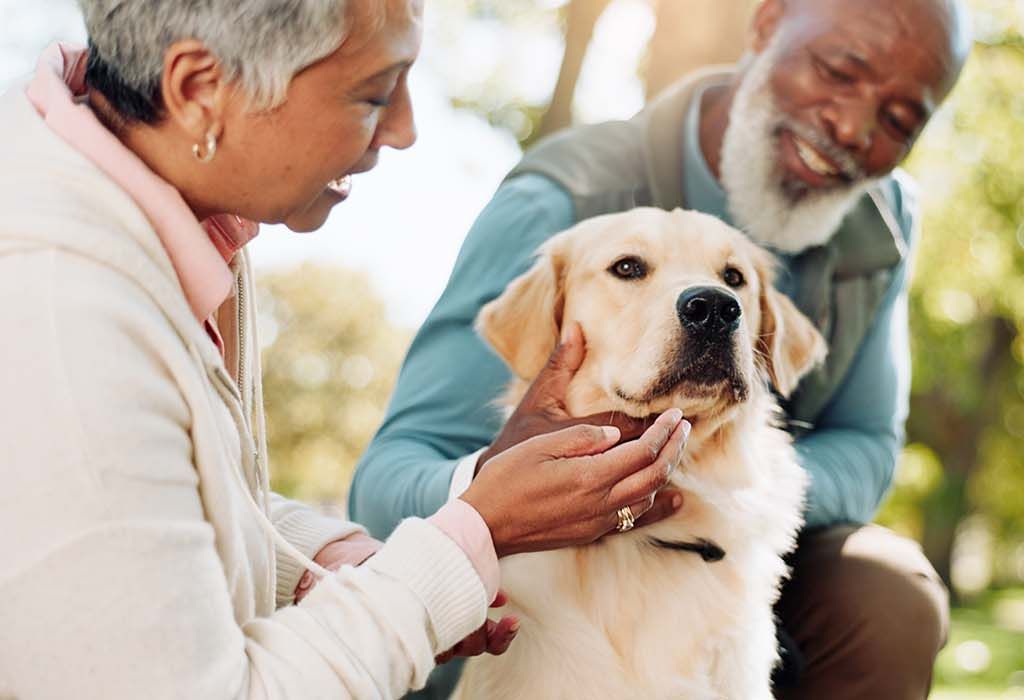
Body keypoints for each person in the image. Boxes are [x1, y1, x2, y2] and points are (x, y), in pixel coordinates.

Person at [0, 1, 689, 697]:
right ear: (199, 89)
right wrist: (474, 534)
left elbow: (153, 512)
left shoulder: (170, 213)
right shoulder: (61, 318)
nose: (405, 130)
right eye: (374, 93)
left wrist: (333, 564)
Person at [351, 0, 971, 697]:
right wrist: (523, 489)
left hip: (750, 542)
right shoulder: (561, 198)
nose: (851, 127)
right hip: (540, 568)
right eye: (836, 69)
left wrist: (722, 493)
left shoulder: (883, 220)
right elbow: (385, 482)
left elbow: (865, 441)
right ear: (765, 26)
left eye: (896, 120)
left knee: (889, 592)